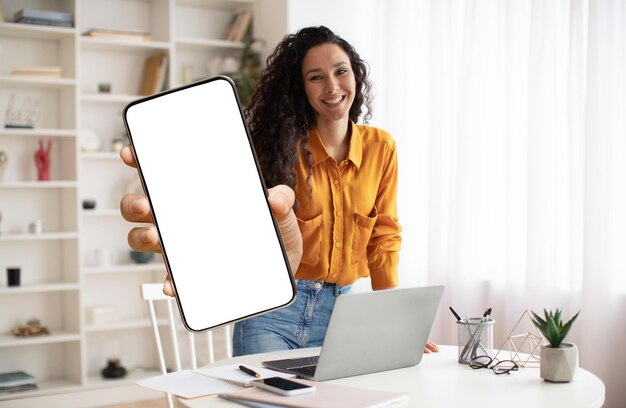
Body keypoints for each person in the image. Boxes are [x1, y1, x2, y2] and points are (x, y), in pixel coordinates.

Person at [120, 26, 438, 356]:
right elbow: (229, 217)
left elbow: (384, 236)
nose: (332, 86)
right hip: (272, 311)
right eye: (316, 77)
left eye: (341, 71)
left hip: (341, 314)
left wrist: (393, 315)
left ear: (355, 75)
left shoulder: (381, 148)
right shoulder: (276, 148)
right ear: (300, 87)